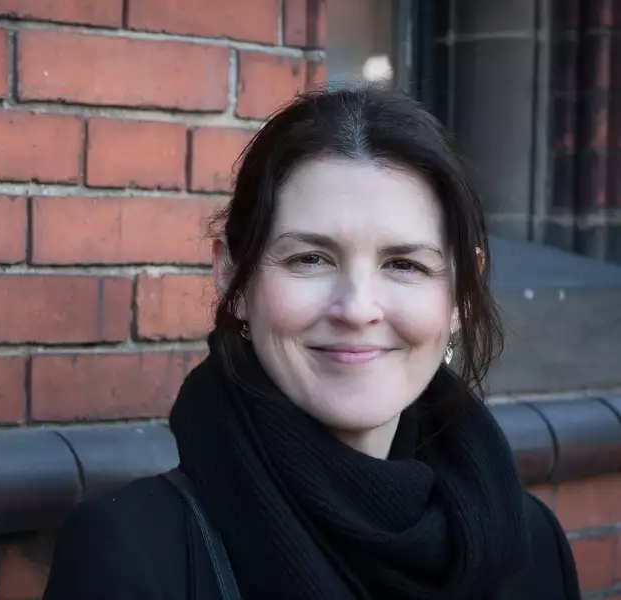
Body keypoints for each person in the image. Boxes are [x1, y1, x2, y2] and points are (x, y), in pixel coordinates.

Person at [42, 87, 581, 600]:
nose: (357, 308)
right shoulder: (132, 554)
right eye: (310, 259)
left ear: (462, 293)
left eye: (404, 264)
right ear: (233, 280)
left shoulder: (532, 548)